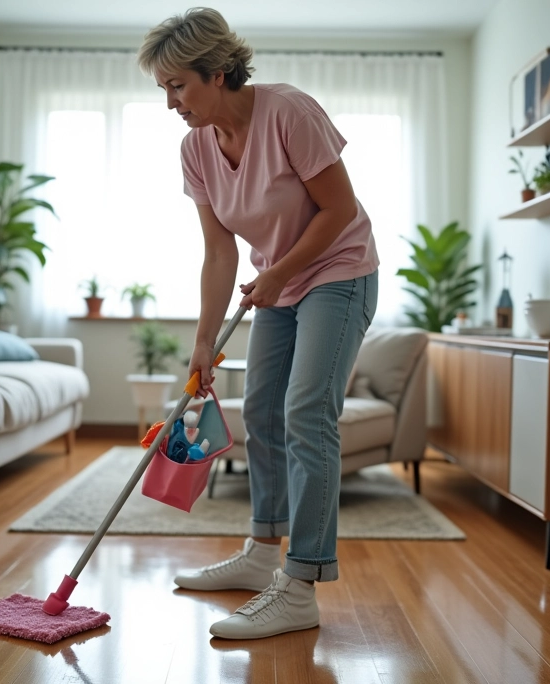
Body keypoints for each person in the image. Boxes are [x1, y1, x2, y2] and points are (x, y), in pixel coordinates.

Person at [137, 7, 379, 640]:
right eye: (163, 90)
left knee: (305, 412)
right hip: (277, 285)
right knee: (262, 414)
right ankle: (262, 552)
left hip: (339, 272)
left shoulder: (290, 113)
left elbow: (339, 209)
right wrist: (200, 346)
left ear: (218, 73)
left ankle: (301, 583)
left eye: (177, 86)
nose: (171, 104)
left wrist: (278, 273)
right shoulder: (195, 149)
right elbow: (219, 253)